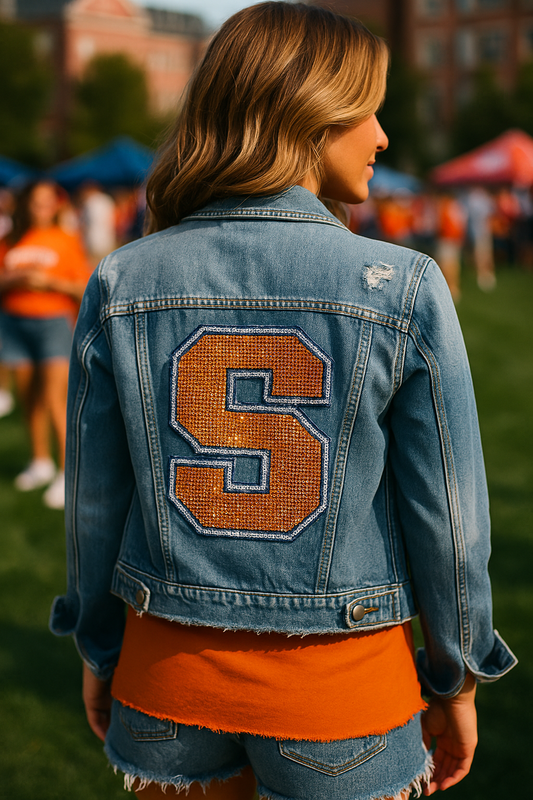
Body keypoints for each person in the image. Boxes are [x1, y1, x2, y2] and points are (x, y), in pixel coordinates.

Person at [50, 4, 517, 800]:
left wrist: (100, 649)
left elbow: (95, 505)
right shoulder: (401, 285)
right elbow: (447, 523)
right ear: (306, 113)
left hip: (165, 679)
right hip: (340, 687)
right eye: (365, 109)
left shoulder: (123, 278)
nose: (382, 136)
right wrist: (456, 673)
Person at [0, 180, 92, 508]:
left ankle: (68, 474)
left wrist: (48, 281)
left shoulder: (66, 240)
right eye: (36, 202)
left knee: (56, 399)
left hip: (52, 323)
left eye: (48, 202)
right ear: (25, 204)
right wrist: (18, 279)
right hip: (14, 323)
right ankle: (40, 461)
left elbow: (83, 289)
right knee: (29, 399)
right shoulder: (10, 240)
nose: (42, 209)